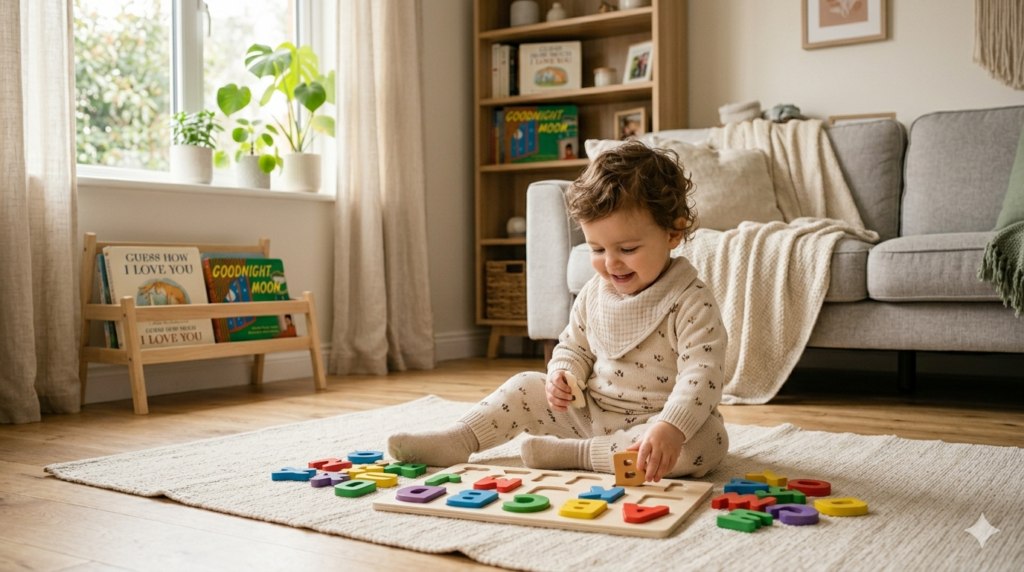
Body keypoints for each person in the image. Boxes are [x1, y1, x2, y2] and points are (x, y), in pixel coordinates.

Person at [388, 141, 729, 482]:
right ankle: (459, 439)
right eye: (596, 248)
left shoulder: (691, 302)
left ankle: (575, 456)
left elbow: (703, 375)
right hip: (590, 414)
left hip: (658, 425)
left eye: (627, 248)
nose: (611, 263)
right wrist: (564, 374)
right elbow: (573, 345)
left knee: (706, 443)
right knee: (525, 385)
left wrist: (670, 428)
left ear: (673, 232)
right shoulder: (594, 293)